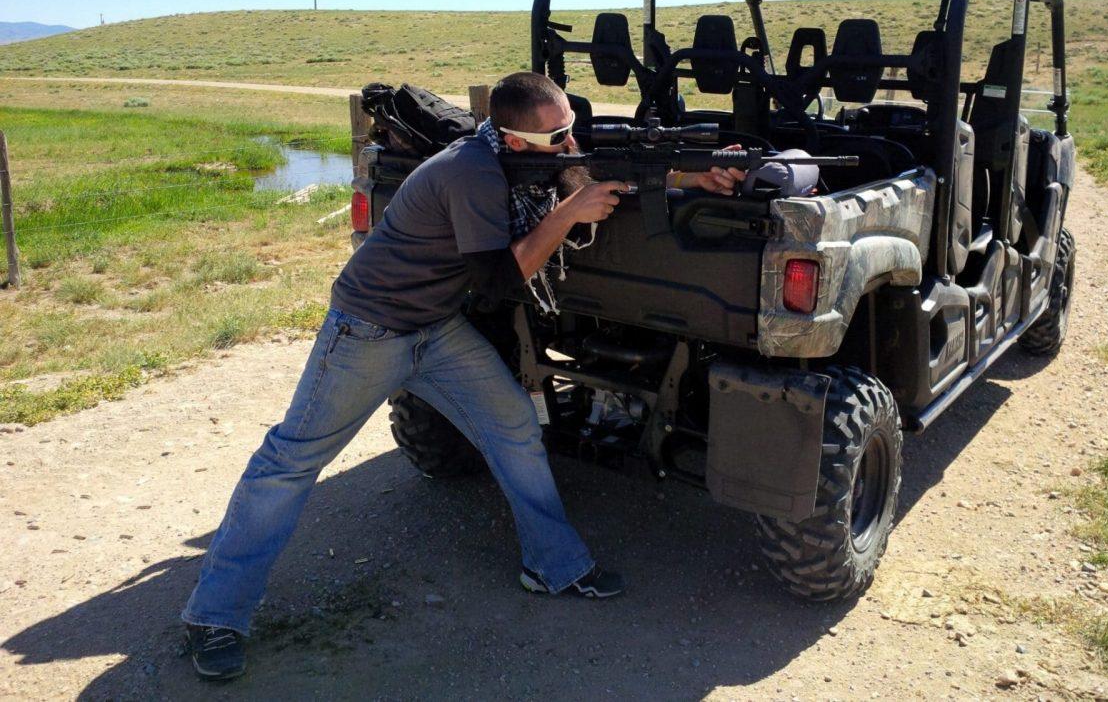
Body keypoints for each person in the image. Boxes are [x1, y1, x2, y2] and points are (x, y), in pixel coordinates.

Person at [180, 72, 745, 681]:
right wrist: (569, 213)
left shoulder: (528, 154)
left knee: (514, 428)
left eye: (570, 127)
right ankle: (215, 617)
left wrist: (688, 177)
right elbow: (499, 280)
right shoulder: (470, 172)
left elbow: (591, 172)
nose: (570, 142)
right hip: (370, 330)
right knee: (289, 462)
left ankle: (552, 566)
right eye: (557, 135)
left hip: (434, 329)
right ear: (514, 139)